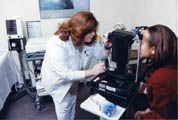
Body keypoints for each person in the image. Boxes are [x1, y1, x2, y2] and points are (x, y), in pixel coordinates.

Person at [41, 11, 112, 120]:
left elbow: (101, 55)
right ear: (80, 30)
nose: (94, 34)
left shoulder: (89, 39)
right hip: (58, 83)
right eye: (90, 31)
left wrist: (107, 47)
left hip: (73, 79)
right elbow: (65, 74)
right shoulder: (57, 43)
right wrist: (93, 72)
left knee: (72, 102)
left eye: (94, 30)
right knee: (64, 107)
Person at [134, 24, 177, 119]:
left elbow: (162, 117)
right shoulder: (170, 63)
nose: (140, 45)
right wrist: (150, 110)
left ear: (153, 50)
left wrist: (145, 116)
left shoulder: (161, 79)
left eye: (143, 42)